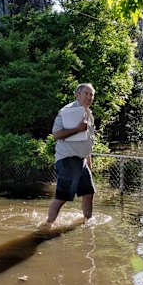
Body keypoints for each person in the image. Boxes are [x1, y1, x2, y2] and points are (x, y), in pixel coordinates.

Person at [45, 83, 96, 225]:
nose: (89, 97)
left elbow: (86, 142)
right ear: (77, 95)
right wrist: (78, 129)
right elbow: (56, 134)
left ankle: (88, 222)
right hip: (67, 159)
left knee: (88, 193)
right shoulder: (67, 111)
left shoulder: (89, 114)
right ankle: (47, 226)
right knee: (62, 197)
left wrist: (88, 165)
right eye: (86, 93)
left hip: (81, 161)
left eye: (91, 94)